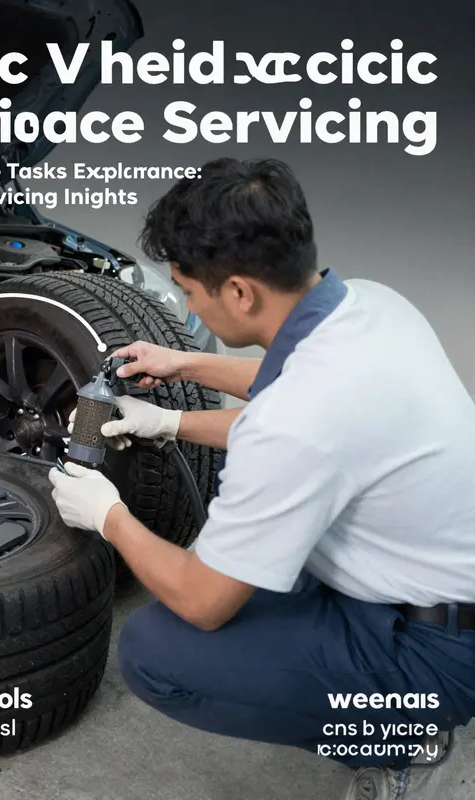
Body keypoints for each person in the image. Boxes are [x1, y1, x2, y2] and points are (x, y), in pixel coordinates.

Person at [47, 157, 475, 800]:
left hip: (434, 651)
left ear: (240, 292)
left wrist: (107, 514)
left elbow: (203, 601)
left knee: (155, 653)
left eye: (190, 292)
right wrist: (176, 393)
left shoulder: (295, 423)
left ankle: (406, 737)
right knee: (245, 551)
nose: (189, 304)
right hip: (436, 584)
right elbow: (296, 388)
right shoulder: (373, 304)